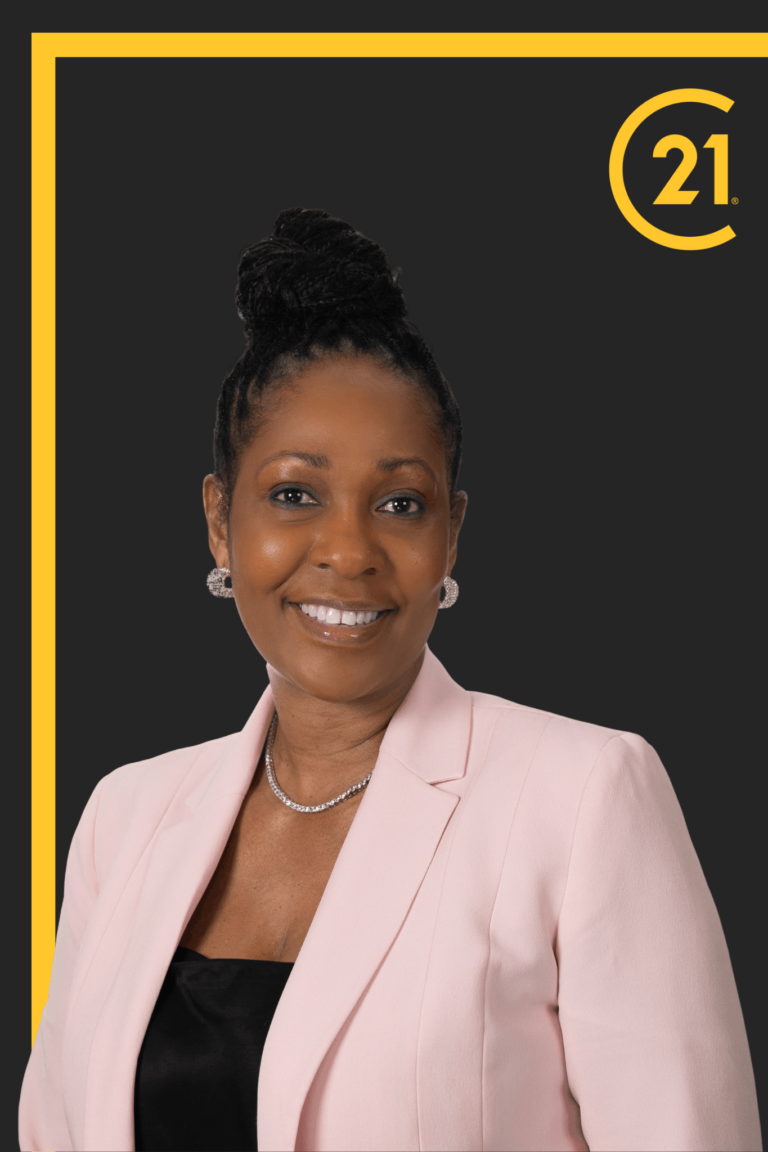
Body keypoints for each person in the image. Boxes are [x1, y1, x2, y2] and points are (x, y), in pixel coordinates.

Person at [20, 208, 761, 1152]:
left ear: (451, 535)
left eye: (401, 503)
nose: (349, 551)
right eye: (295, 494)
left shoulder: (584, 798)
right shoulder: (124, 818)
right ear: (219, 521)